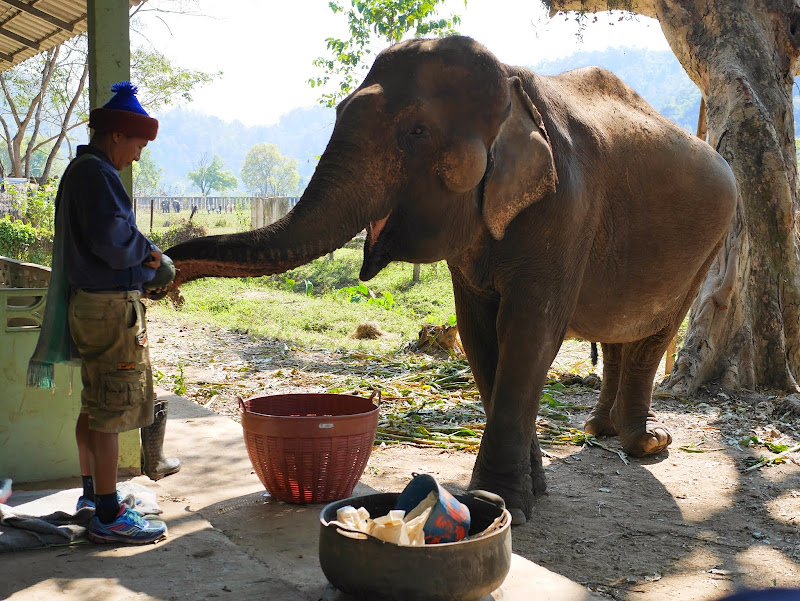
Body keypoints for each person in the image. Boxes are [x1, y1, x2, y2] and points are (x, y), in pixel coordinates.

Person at [56, 82, 170, 544]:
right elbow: (114, 241)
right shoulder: (98, 175)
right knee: (110, 409)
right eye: (138, 145)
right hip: (108, 309)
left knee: (94, 402)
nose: (138, 156)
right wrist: (150, 257)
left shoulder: (84, 170)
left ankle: (93, 495)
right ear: (117, 135)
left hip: (92, 305)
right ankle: (108, 514)